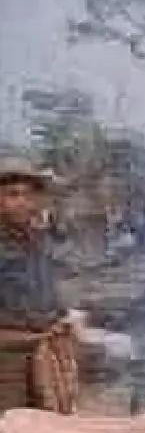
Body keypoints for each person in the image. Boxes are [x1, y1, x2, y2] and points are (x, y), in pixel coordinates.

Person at [0, 154, 77, 415]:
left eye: (29, 195)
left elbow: (48, 289)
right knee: (10, 425)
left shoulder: (38, 242)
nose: (23, 203)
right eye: (13, 194)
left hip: (41, 349)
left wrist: (62, 317)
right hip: (7, 358)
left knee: (43, 426)